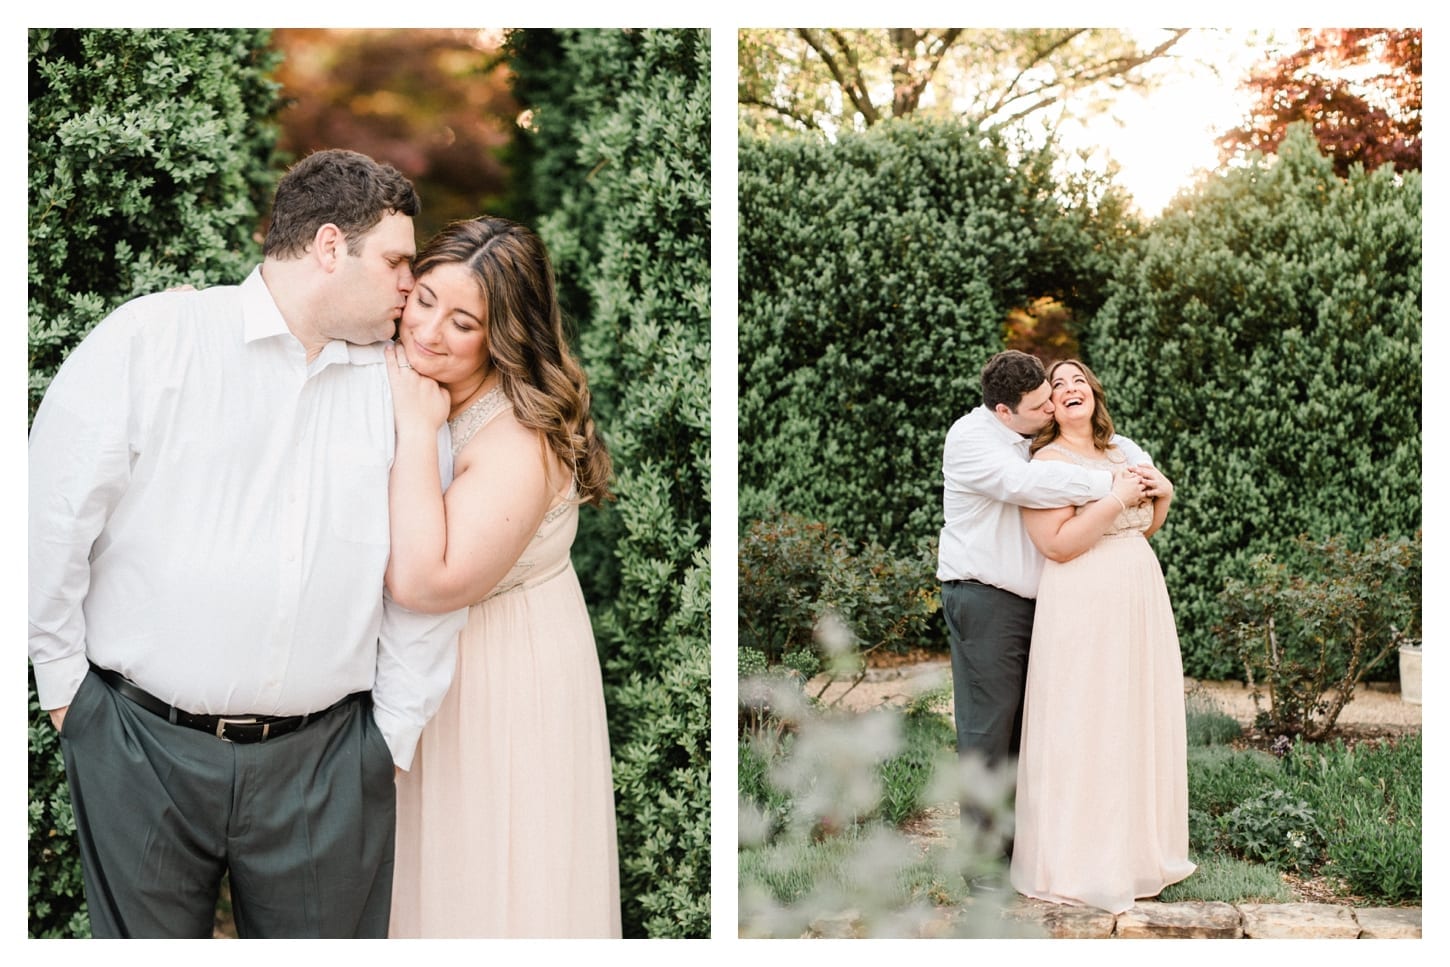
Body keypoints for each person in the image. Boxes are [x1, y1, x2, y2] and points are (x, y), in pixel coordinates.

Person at [27, 148, 466, 938]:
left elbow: (424, 579)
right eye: (399, 261)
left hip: (328, 764)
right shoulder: (155, 340)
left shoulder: (403, 391)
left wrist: (387, 740)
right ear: (331, 246)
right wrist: (67, 695)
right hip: (138, 747)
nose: (412, 285)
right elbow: (51, 516)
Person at [382, 216, 622, 937]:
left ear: (504, 334)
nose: (427, 330)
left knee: (487, 879)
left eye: (462, 322)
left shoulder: (515, 438)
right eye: (423, 299)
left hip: (501, 676)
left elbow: (426, 579)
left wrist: (417, 431)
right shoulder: (413, 377)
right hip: (436, 665)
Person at [937, 350, 1150, 866]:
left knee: (1035, 732)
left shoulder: (1031, 437)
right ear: (1005, 411)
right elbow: (1027, 486)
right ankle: (984, 865)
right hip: (987, 598)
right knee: (989, 735)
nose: (1052, 410)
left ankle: (1026, 850)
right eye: (1041, 405)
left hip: (1048, 605)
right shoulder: (972, 441)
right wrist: (1112, 487)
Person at [1009, 358, 1195, 912]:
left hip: (1139, 594)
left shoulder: (1124, 450)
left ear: (1093, 391)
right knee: (1087, 721)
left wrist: (1163, 494)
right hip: (1082, 603)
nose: (1069, 389)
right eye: (1057, 384)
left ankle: (1138, 854)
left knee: (1135, 718)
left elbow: (1145, 524)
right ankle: (1081, 861)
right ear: (1048, 404)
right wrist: (1117, 498)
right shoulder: (1044, 462)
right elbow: (1058, 545)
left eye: (1077, 380)